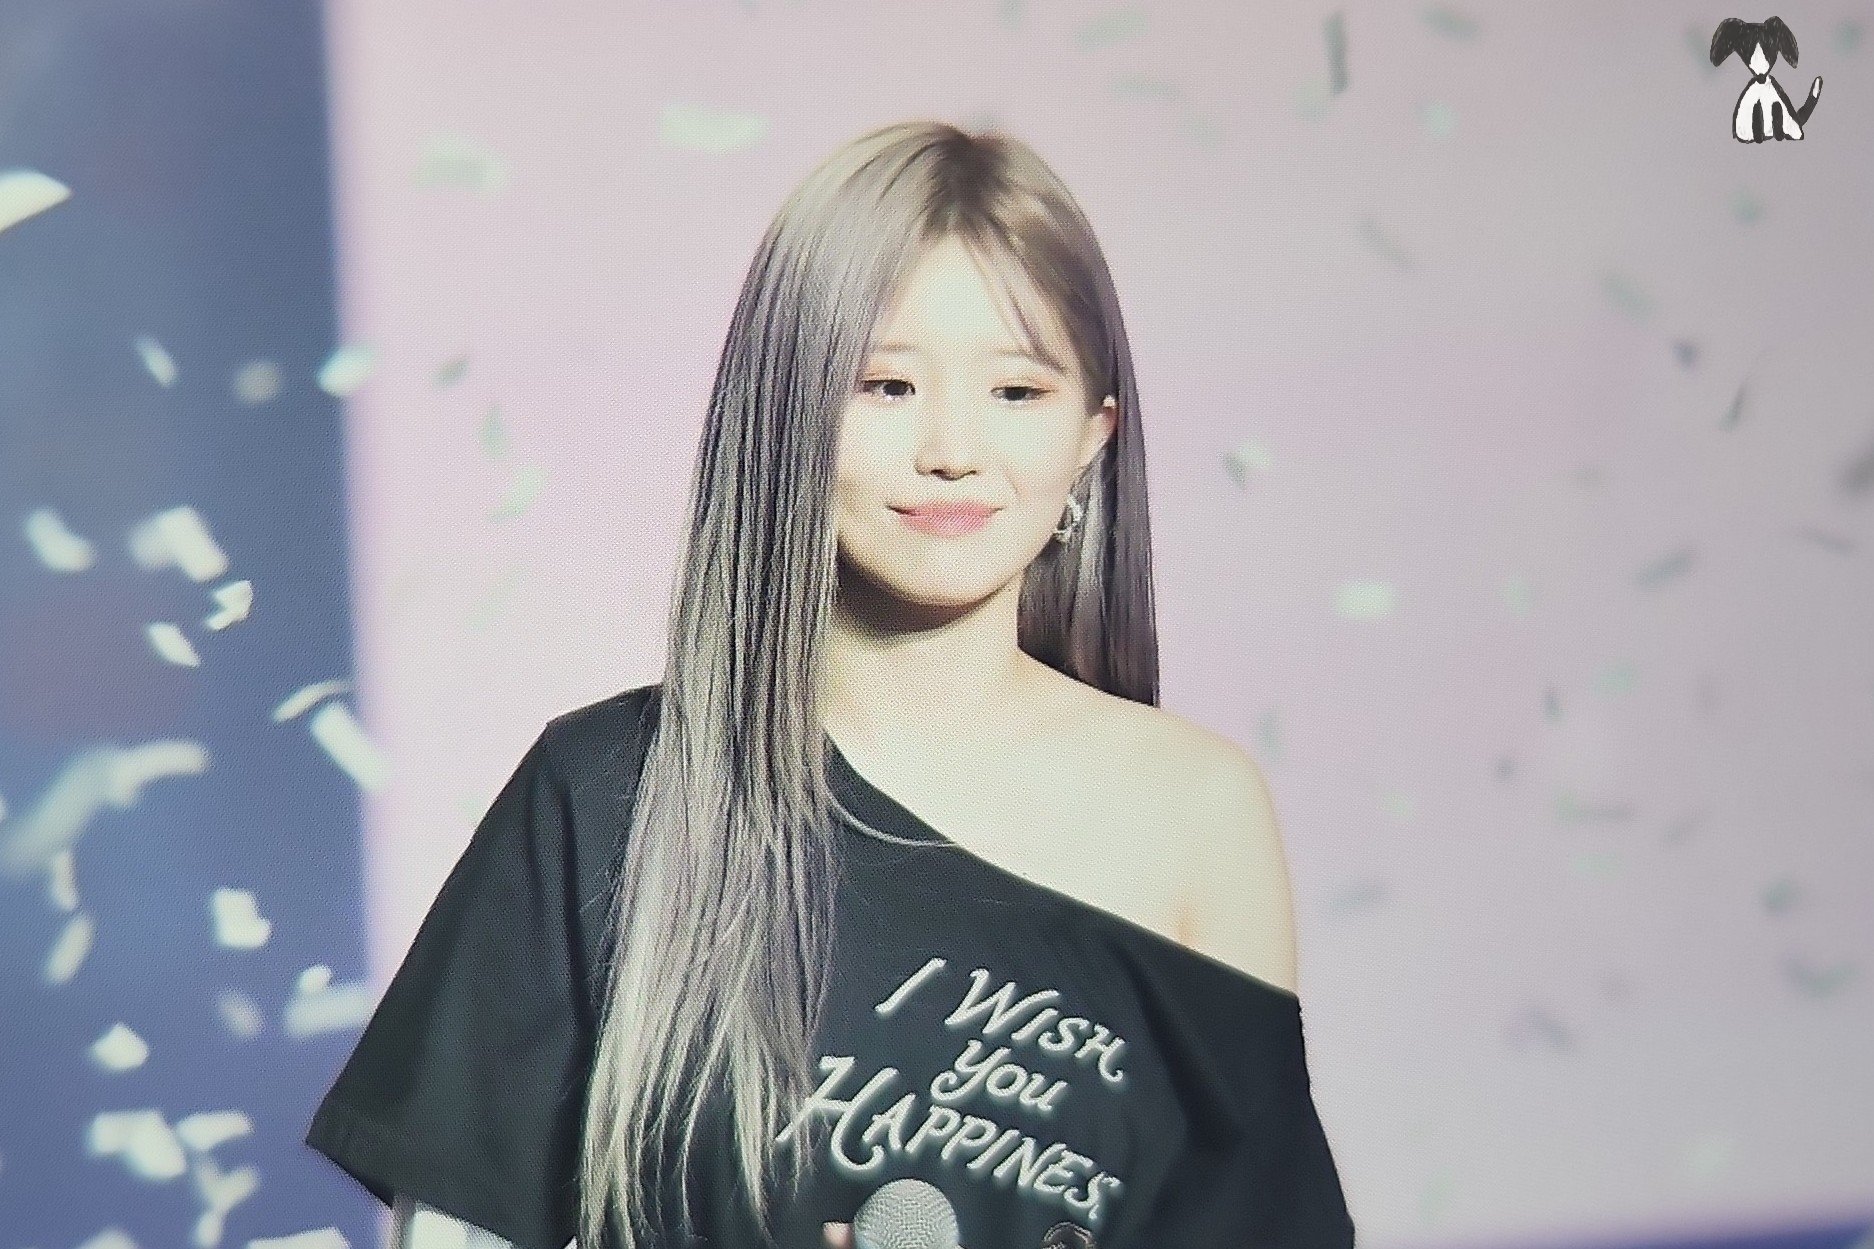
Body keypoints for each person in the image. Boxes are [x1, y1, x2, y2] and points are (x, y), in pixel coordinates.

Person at [305, 118, 1356, 1249]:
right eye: (886, 385)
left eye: (1017, 391)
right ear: (789, 409)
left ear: (1091, 439)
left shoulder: (1193, 812)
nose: (952, 449)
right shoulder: (606, 795)